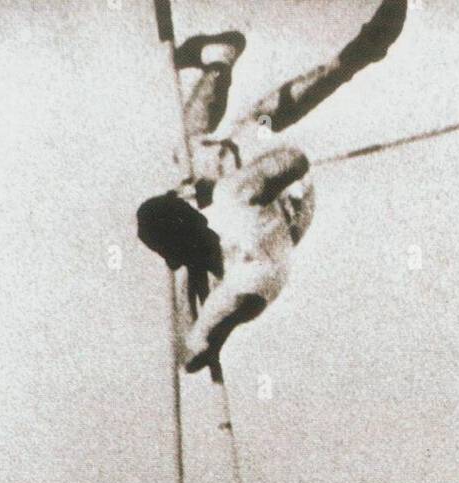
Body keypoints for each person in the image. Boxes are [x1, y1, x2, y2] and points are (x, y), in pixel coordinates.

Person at [136, 1, 409, 372]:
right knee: (240, 132)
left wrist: (201, 336)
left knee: (218, 140)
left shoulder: (204, 258)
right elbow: (294, 161)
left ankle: (222, 58)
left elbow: (191, 348)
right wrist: (202, 336)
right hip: (283, 200)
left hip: (267, 233)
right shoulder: (232, 205)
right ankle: (357, 55)